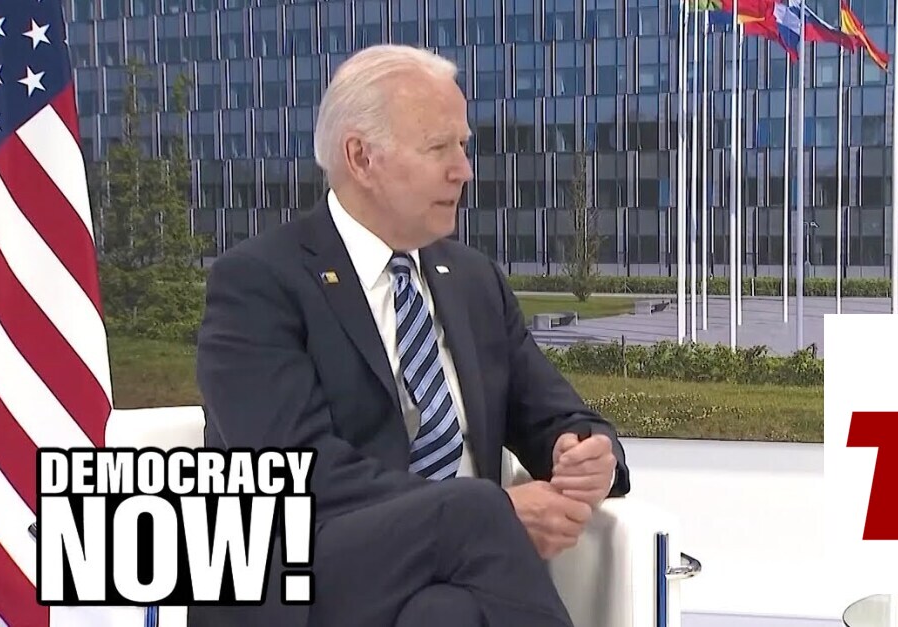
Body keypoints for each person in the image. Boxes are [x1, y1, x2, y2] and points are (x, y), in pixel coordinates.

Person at [192, 44, 631, 627]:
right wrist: (489, 512)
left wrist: (587, 452)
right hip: (307, 570)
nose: (463, 170)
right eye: (438, 147)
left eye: (463, 146)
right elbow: (295, 469)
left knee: (445, 613)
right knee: (472, 518)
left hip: (456, 581)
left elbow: (553, 413)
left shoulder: (473, 280)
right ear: (361, 158)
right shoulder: (258, 282)